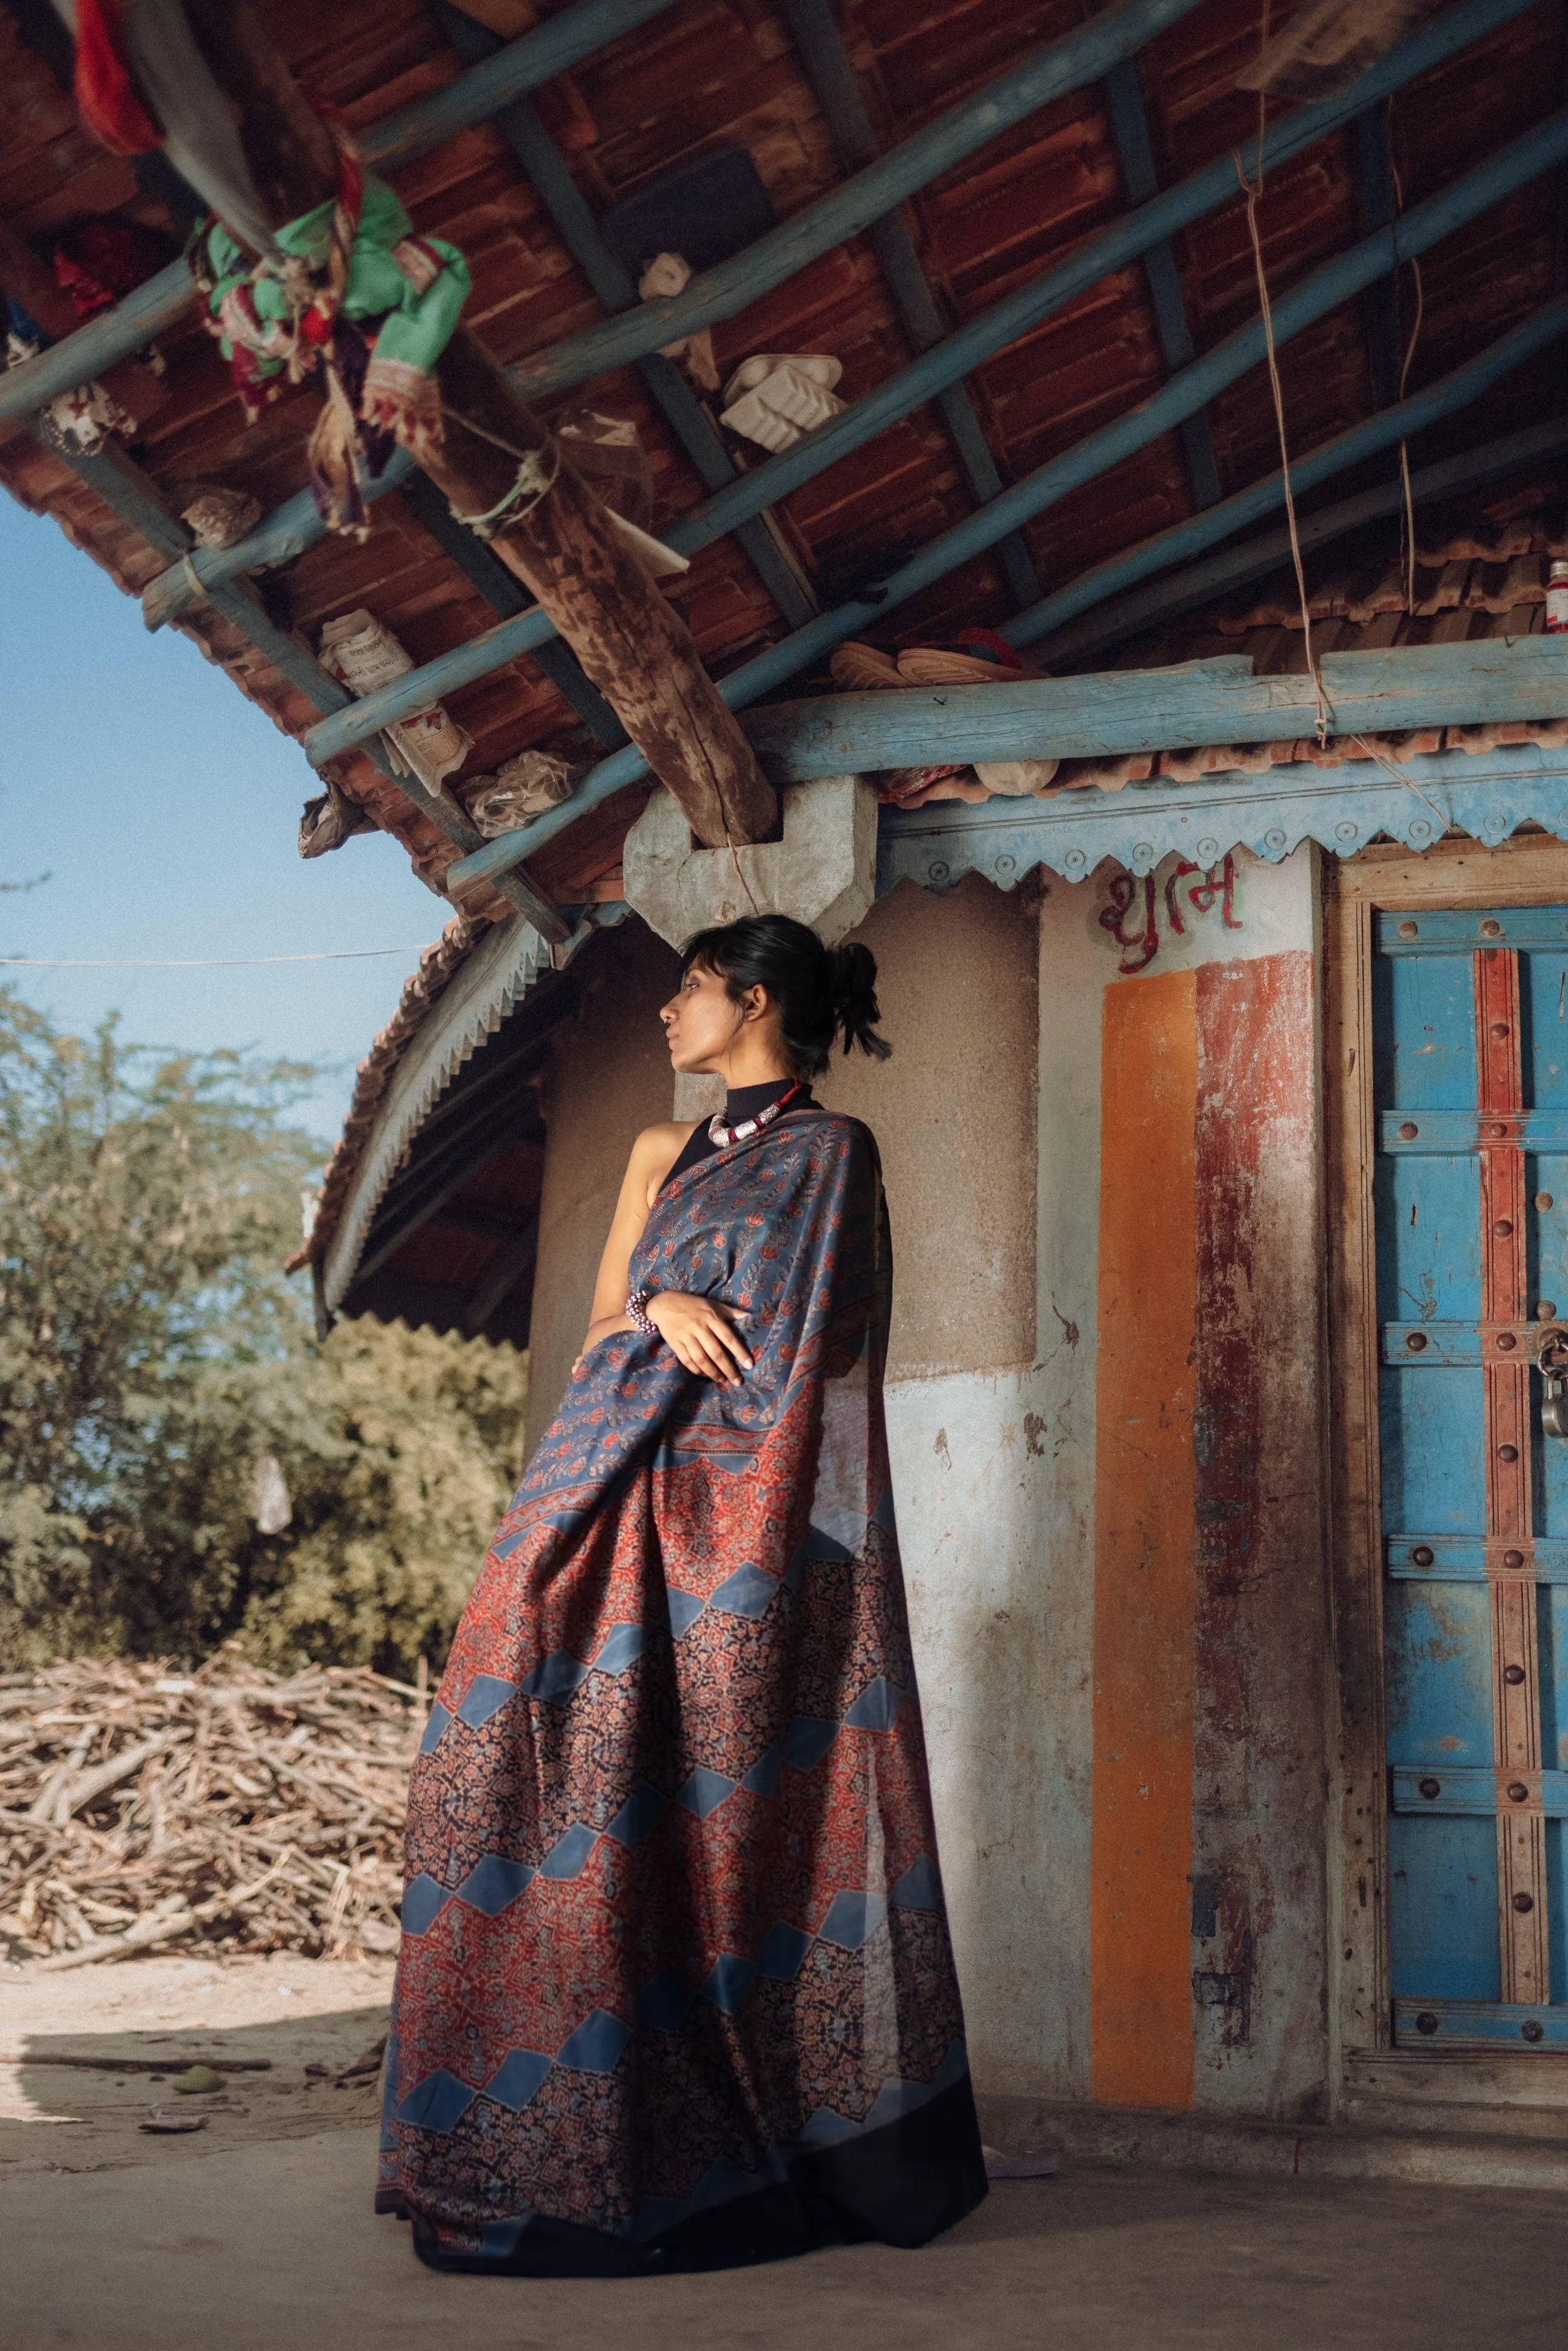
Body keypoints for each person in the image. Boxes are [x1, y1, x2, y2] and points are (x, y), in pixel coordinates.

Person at [378, 914, 987, 2274]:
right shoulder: (659, 1152)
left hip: (731, 1544)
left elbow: (800, 1368)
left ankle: (711, 2139)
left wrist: (720, 1495)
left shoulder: (830, 1154)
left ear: (753, 1001)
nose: (665, 1010)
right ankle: (550, 2138)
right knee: (511, 1769)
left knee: (708, 1842)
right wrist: (653, 1312)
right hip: (607, 1512)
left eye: (688, 988)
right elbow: (607, 1329)